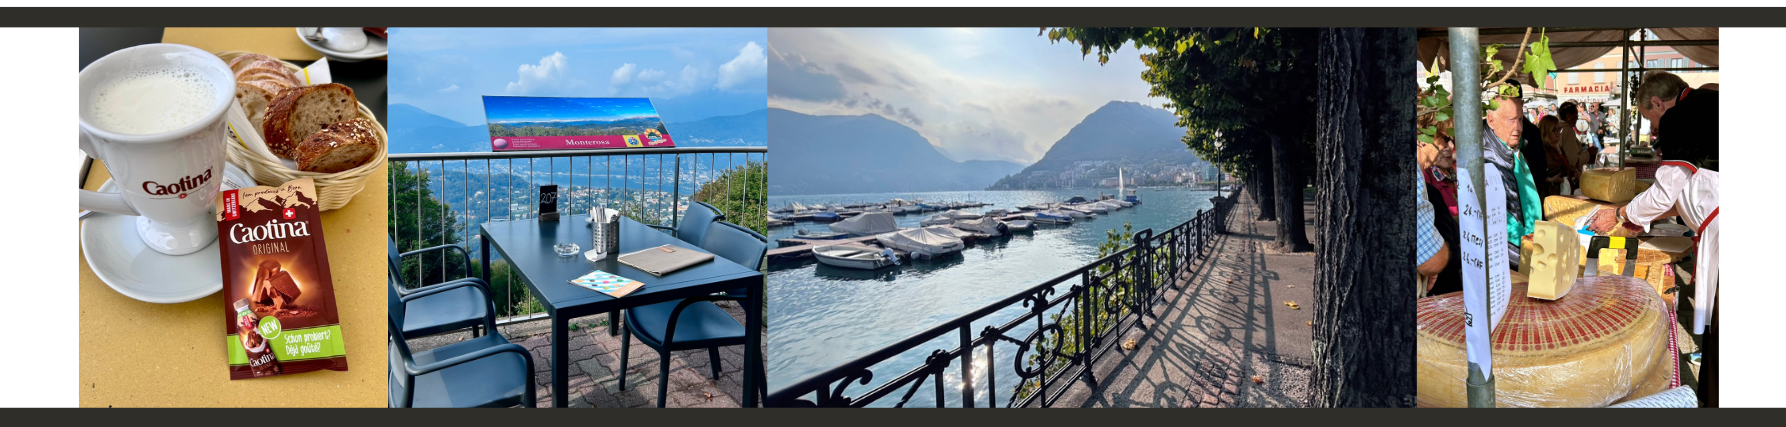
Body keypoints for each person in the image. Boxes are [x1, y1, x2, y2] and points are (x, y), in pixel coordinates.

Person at [1483, 89, 1543, 270]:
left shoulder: (1513, 148)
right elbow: (1500, 221)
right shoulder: (1487, 161)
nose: (1518, 127)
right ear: (1491, 121)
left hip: (1530, 245)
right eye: (1511, 120)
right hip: (1513, 258)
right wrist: (1535, 247)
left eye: (1520, 120)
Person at [1418, 102, 1462, 295]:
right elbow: (1433, 261)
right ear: (1422, 137)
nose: (1450, 146)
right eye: (1445, 138)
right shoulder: (1423, 184)